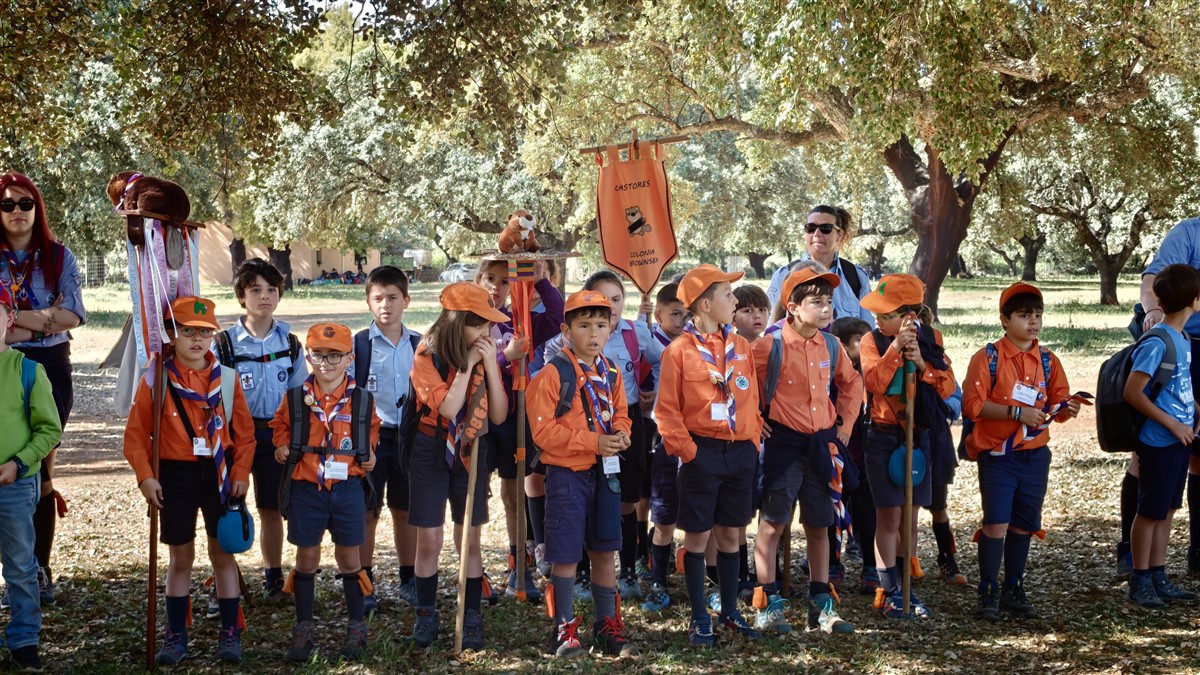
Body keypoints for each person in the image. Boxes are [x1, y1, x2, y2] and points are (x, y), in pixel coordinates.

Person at [123, 297, 255, 665]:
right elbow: (135, 435)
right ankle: (176, 634)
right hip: (174, 475)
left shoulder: (226, 379)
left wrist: (241, 474)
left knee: (222, 553)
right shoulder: (157, 377)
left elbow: (244, 435)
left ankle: (230, 632)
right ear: (172, 334)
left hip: (220, 474)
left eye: (205, 332)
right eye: (187, 331)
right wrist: (146, 478)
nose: (197, 340)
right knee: (180, 556)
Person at [655, 264, 764, 646]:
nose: (735, 301)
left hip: (740, 453)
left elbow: (750, 398)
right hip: (701, 452)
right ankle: (700, 615)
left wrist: (751, 442)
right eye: (728, 296)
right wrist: (690, 454)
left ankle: (730, 610)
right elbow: (666, 411)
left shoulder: (741, 346)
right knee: (698, 538)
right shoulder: (678, 352)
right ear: (704, 305)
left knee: (732, 534)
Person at [750, 268, 862, 635]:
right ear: (794, 308)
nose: (827, 308)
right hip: (782, 445)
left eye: (829, 301)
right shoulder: (770, 345)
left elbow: (851, 384)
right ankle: (767, 602)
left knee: (820, 525)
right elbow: (742, 384)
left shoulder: (830, 345)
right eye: (817, 302)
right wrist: (754, 420)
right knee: (772, 523)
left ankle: (821, 603)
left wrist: (844, 427)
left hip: (820, 446)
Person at [962, 282, 1084, 619]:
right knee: (996, 523)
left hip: (1034, 456)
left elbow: (1057, 402)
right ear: (1004, 320)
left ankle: (1014, 586)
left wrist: (1066, 409)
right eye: (1024, 315)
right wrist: (1016, 412)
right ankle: (988, 589)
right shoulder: (988, 358)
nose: (1033, 322)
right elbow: (973, 405)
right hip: (999, 456)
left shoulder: (1047, 360)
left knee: (1023, 524)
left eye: (1038, 315)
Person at [529, 290, 638, 658]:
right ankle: (565, 628)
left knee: (605, 550)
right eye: (584, 325)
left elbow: (621, 412)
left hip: (605, 475)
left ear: (611, 329)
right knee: (566, 553)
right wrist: (594, 442)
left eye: (601, 325)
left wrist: (622, 434)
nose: (593, 333)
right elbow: (543, 433)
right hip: (566, 476)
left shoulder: (610, 372)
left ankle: (606, 626)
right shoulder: (552, 373)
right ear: (566, 329)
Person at [0, 172, 86, 606]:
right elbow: (57, 317)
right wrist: (44, 318)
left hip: (50, 368)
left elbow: (73, 315)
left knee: (39, 472)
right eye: (8, 204)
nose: (17, 211)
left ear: (37, 207)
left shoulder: (58, 257)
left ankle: (38, 569)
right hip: (1, 369)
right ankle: (14, 571)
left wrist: (14, 319)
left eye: (25, 203)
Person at [407, 283, 509, 650]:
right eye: (479, 324)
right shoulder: (426, 354)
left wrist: (492, 369)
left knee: (470, 539)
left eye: (488, 325)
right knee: (430, 539)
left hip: (471, 446)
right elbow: (448, 409)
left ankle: (471, 615)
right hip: (431, 448)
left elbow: (497, 414)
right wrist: (467, 368)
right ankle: (426, 614)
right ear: (456, 322)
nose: (487, 333)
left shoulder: (485, 354)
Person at [272, 322, 380, 661]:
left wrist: (371, 454)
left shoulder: (362, 399)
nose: (327, 363)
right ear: (307, 356)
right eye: (319, 355)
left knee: (350, 557)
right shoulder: (294, 398)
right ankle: (304, 627)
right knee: (306, 557)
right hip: (307, 489)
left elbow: (371, 433)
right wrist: (279, 447)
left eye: (335, 356)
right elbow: (279, 427)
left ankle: (356, 626)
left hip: (347, 488)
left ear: (350, 358)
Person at [859, 274, 956, 620]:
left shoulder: (933, 338)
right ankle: (889, 590)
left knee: (910, 519)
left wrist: (923, 366)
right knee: (888, 516)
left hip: (920, 437)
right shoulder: (871, 342)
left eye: (885, 314)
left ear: (909, 317)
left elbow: (947, 387)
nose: (877, 318)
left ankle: (905, 587)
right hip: (884, 436)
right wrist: (895, 348)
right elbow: (873, 382)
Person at [212, 258, 307, 607]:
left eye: (271, 289)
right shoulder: (223, 344)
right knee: (227, 506)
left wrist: (289, 439)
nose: (264, 297)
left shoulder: (291, 343)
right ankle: (224, 579)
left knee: (271, 507)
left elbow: (300, 398)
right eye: (255, 290)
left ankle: (273, 575)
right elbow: (213, 396)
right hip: (235, 436)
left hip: (274, 435)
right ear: (241, 296)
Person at [476, 258, 563, 602]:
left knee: (515, 494)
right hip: (479, 420)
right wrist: (503, 357)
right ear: (479, 280)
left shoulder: (519, 321)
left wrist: (541, 281)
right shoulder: (466, 324)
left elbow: (558, 319)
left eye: (504, 281)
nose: (496, 287)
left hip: (516, 419)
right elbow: (464, 368)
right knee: (475, 498)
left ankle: (519, 566)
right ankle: (474, 572)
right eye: (490, 279)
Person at [1125, 221, 1200, 577]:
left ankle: (1159, 571)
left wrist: (1192, 409)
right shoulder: (1163, 343)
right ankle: (1137, 567)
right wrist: (1154, 314)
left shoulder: (1178, 343)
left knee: (1168, 505)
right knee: (1151, 500)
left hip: (1180, 428)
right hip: (1161, 433)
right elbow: (1134, 392)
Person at [352, 266, 420, 613]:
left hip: (409, 439)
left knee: (405, 511)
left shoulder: (420, 345)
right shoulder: (359, 346)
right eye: (378, 298)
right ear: (368, 302)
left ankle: (409, 579)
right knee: (368, 511)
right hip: (371, 441)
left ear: (406, 300)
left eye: (393, 297)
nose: (386, 305)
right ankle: (364, 583)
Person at [0, 283, 60, 672]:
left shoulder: (27, 371)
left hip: (15, 486)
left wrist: (19, 464)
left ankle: (24, 640)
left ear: (8, 320)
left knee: (21, 566)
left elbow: (49, 430)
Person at [641, 282, 686, 613]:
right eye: (674, 314)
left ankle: (707, 576)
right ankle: (656, 575)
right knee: (660, 508)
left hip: (695, 438)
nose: (682, 319)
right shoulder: (649, 338)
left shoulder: (696, 344)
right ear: (658, 315)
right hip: (657, 432)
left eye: (685, 313)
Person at [831, 316, 878, 594]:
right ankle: (832, 564)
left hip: (864, 457)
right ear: (842, 345)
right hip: (834, 453)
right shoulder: (828, 371)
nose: (868, 345)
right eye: (861, 341)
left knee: (866, 513)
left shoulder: (870, 370)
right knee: (831, 511)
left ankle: (870, 565)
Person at [766, 205, 873, 325]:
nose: (817, 234)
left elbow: (868, 330)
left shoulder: (856, 276)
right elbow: (772, 326)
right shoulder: (785, 275)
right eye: (811, 228)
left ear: (840, 235)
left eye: (825, 228)